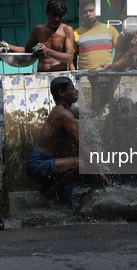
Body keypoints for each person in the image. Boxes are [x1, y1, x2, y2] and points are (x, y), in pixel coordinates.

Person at [26, 76, 111, 208]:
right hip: (39, 165)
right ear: (62, 93)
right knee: (82, 165)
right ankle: (48, 193)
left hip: (53, 163)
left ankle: (51, 190)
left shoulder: (69, 111)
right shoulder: (63, 114)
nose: (76, 91)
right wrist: (100, 171)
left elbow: (94, 111)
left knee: (67, 203)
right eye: (72, 89)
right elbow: (81, 145)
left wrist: (94, 83)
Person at [6, 0, 74, 72]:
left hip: (60, 73)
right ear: (47, 12)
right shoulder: (38, 29)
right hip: (41, 74)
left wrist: (48, 51)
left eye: (60, 16)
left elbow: (69, 57)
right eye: (54, 15)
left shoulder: (67, 30)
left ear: (64, 15)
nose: (56, 19)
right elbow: (26, 50)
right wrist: (7, 47)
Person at [73, 0, 120, 70]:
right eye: (85, 11)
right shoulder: (76, 33)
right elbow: (73, 58)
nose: (88, 14)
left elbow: (121, 50)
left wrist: (113, 64)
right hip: (84, 75)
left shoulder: (110, 29)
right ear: (81, 13)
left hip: (107, 73)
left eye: (91, 10)